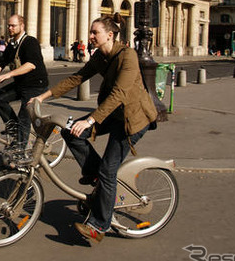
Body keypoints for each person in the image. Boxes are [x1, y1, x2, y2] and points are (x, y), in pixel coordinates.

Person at [30, 13, 157, 243]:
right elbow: (77, 77)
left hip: (133, 118)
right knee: (69, 130)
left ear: (109, 35)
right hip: (112, 113)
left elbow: (120, 93)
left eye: (94, 32)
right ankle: (95, 176)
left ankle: (99, 226)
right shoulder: (100, 56)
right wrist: (44, 95)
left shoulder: (127, 55)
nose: (90, 36)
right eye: (91, 32)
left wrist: (90, 120)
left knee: (108, 170)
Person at [0, 14, 48, 148]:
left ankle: (21, 153)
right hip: (21, 84)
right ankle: (16, 129)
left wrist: (9, 74)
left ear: (22, 26)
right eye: (9, 25)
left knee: (24, 118)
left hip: (35, 86)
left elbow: (31, 65)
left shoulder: (30, 42)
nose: (10, 28)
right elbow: (0, 64)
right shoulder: (12, 45)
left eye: (13, 25)